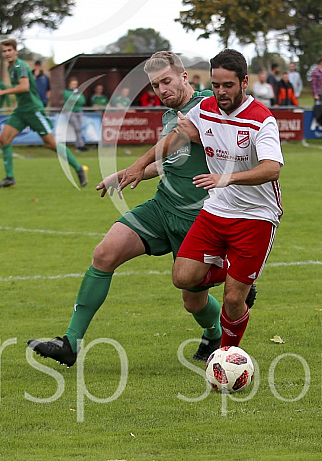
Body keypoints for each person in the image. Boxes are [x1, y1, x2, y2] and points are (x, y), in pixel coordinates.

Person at [28, 51, 252, 366]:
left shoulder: (207, 105)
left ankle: (216, 330)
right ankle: (71, 343)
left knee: (193, 302)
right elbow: (166, 162)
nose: (161, 90)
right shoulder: (167, 116)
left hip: (199, 217)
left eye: (167, 81)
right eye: (155, 85)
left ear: (184, 77)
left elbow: (218, 130)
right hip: (163, 206)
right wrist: (125, 175)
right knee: (105, 253)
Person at [119, 48, 283, 349]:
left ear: (244, 82)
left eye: (228, 86)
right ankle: (233, 271)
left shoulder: (262, 119)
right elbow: (177, 137)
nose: (220, 92)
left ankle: (226, 355)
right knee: (183, 278)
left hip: (256, 215)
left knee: (234, 299)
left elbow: (272, 169)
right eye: (216, 84)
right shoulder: (205, 107)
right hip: (217, 209)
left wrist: (227, 178)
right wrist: (140, 164)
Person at [0, 39, 88, 188]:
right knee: (4, 139)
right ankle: (10, 178)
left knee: (51, 144)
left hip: (34, 111)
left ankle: (78, 168)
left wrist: (2, 92)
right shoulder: (11, 67)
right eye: (4, 51)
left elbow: (24, 87)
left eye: (9, 50)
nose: (7, 53)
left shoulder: (20, 66)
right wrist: (17, 103)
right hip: (22, 110)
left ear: (16, 51)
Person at [63, 77, 89, 152]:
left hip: (79, 111)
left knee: (80, 128)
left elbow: (82, 101)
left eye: (75, 84)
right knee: (78, 128)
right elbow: (69, 99)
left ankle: (81, 145)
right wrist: (76, 99)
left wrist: (75, 100)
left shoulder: (78, 93)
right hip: (71, 111)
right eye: (73, 84)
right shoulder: (66, 92)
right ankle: (79, 145)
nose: (74, 85)